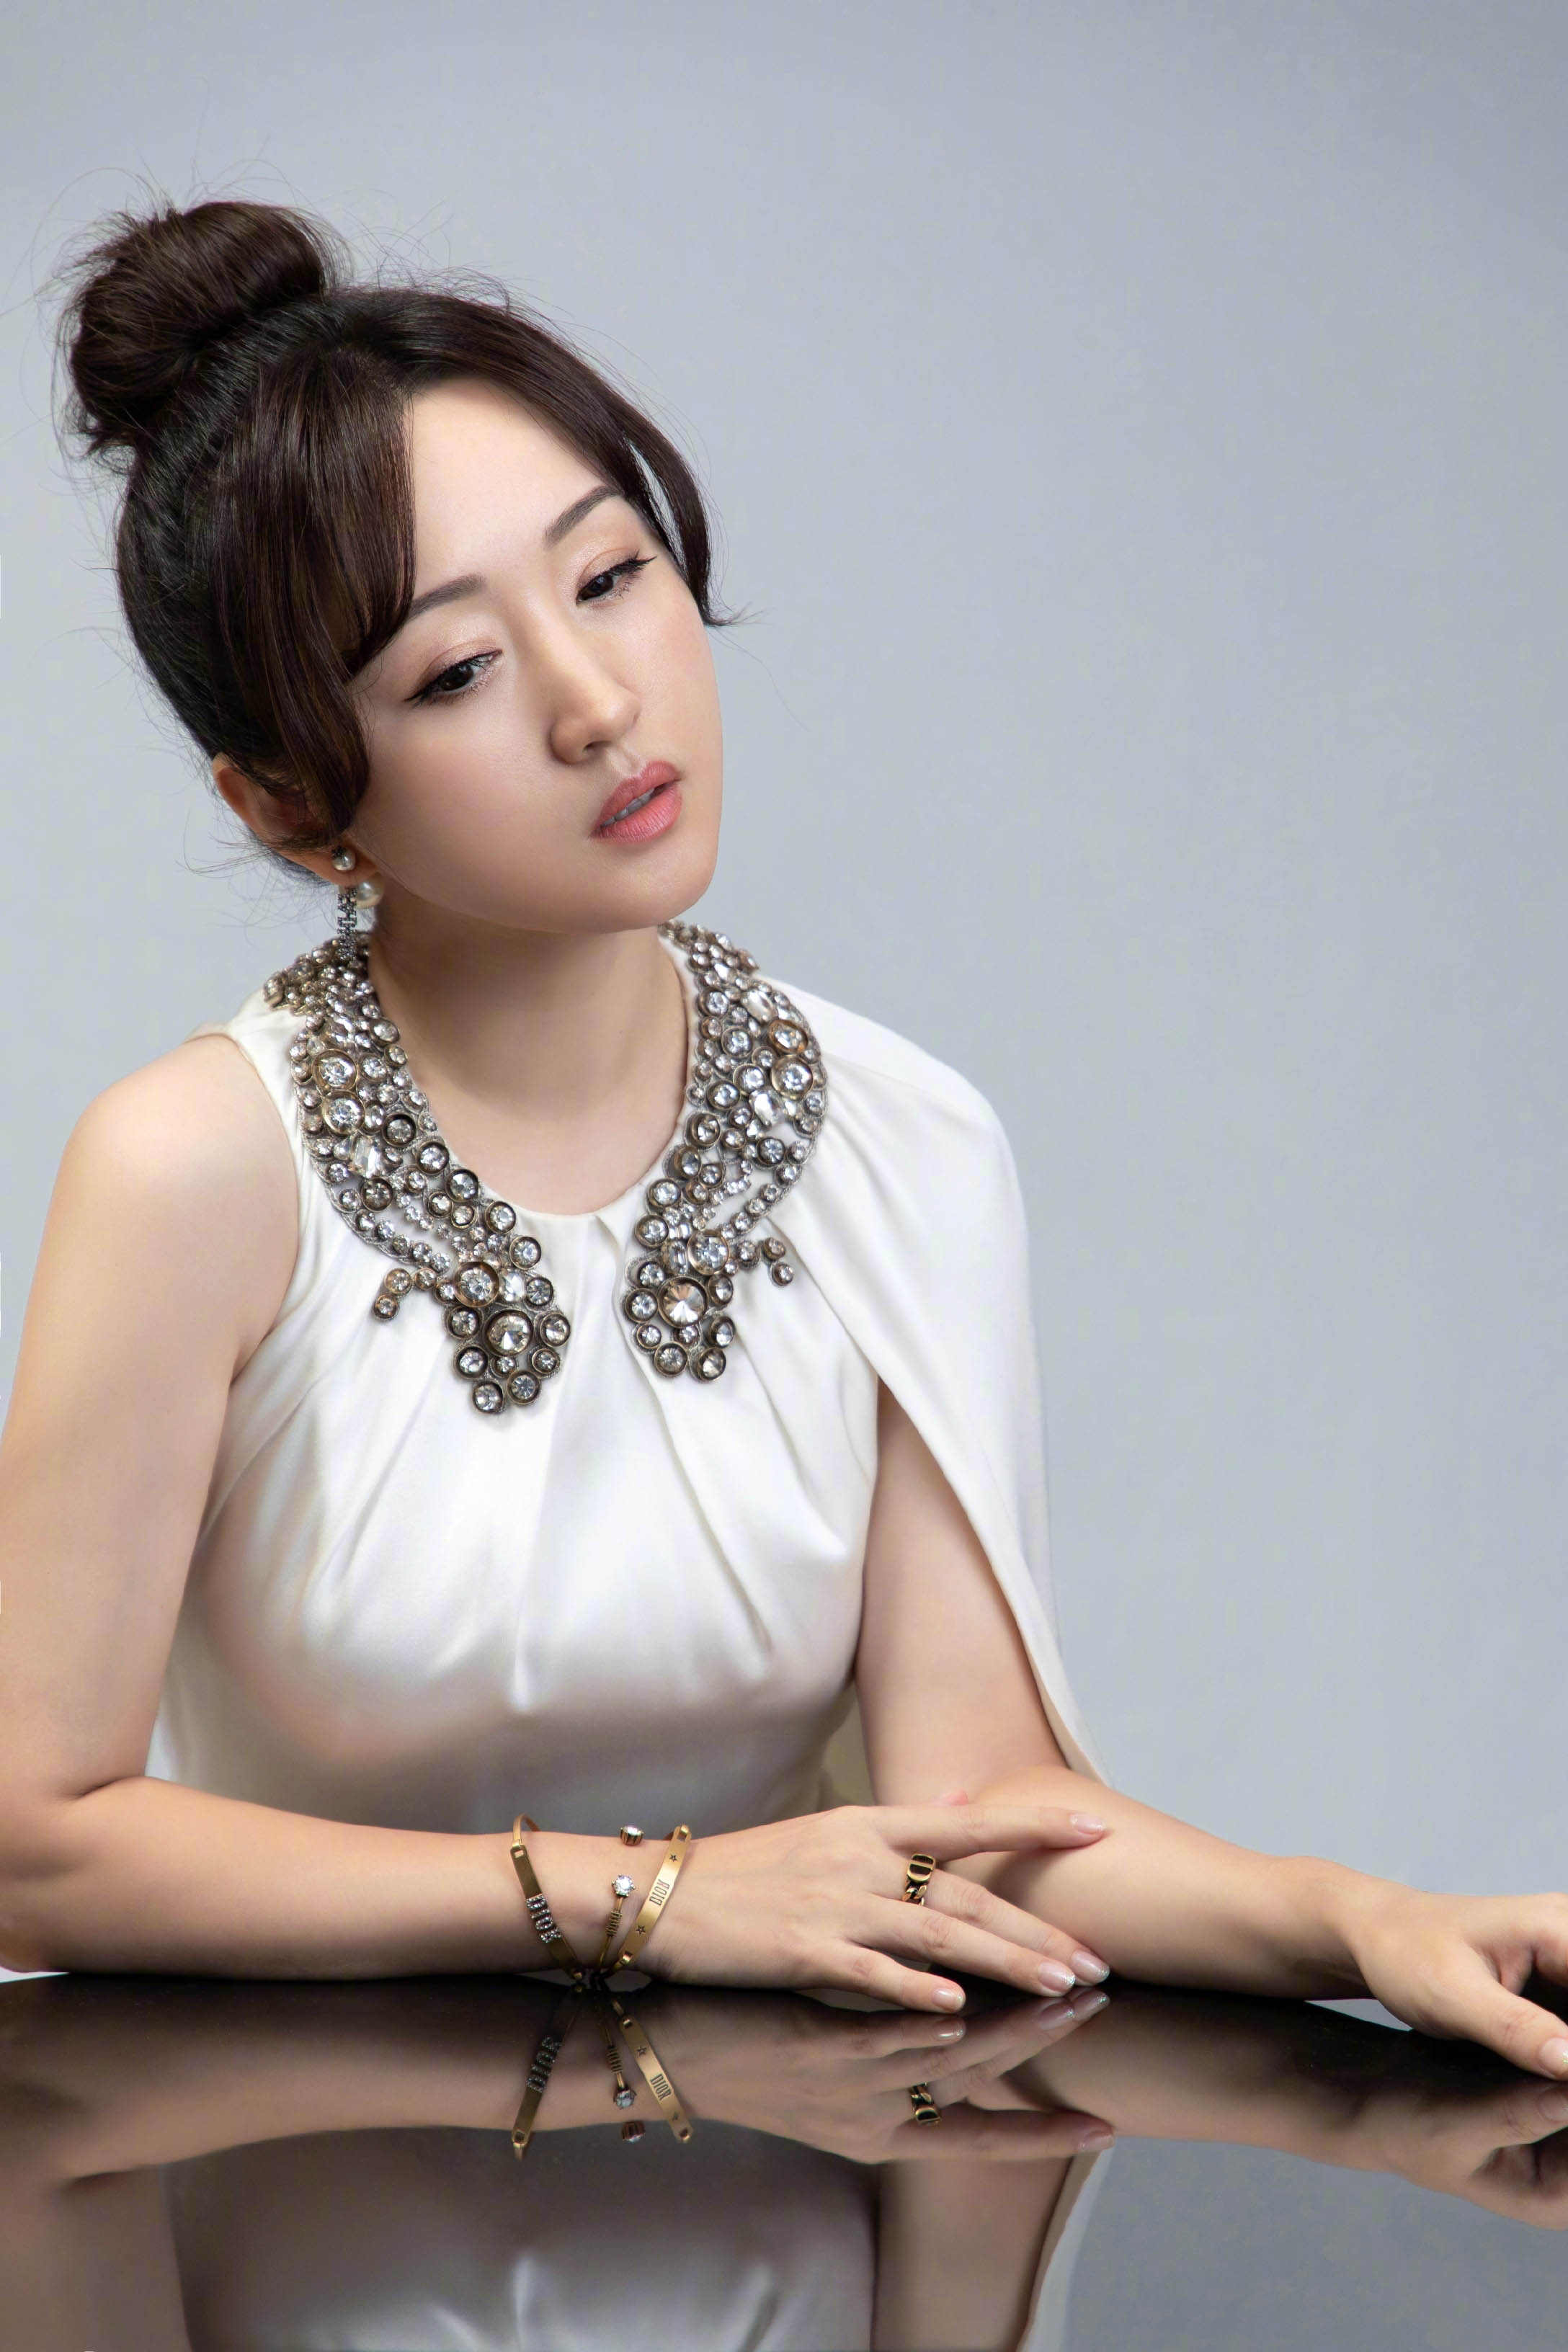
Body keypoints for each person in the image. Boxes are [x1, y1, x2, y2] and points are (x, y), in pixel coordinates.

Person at [1, 195, 1564, 2101]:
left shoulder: (905, 1143)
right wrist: (647, 1900)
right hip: (299, 2184)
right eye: (455, 673)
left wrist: (1361, 1922)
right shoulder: (193, 1171)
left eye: (609, 575)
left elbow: (977, 1814)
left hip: (785, 2182)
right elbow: (34, 1840)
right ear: (283, 807)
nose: (599, 703)